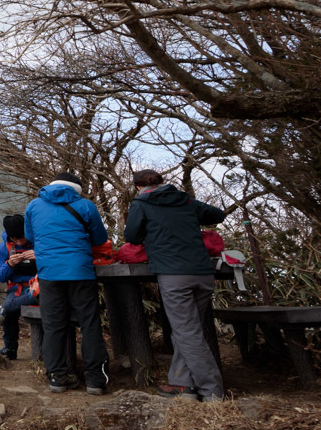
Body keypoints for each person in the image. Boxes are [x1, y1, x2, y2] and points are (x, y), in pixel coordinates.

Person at [123, 169, 229, 401]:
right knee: (188, 330)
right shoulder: (185, 200)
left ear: (138, 186)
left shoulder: (141, 203)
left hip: (174, 274)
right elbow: (218, 215)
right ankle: (183, 384)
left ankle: (212, 391)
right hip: (203, 273)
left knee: (187, 332)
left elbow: (132, 236)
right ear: (162, 183)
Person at [24, 172, 111, 394]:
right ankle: (95, 380)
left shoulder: (33, 206)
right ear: (76, 189)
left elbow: (30, 236)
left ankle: (57, 378)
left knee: (53, 326)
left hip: (49, 273)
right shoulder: (86, 206)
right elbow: (100, 239)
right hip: (81, 271)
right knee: (90, 324)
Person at [0, 215, 39, 361]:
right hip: (17, 288)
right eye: (14, 239)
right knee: (10, 313)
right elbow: (0, 276)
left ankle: (4, 308)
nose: (18, 242)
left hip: (39, 286)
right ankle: (10, 348)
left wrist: (39, 256)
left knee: (34, 296)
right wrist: (10, 265)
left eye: (21, 238)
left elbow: (54, 262)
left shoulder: (39, 242)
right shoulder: (4, 248)